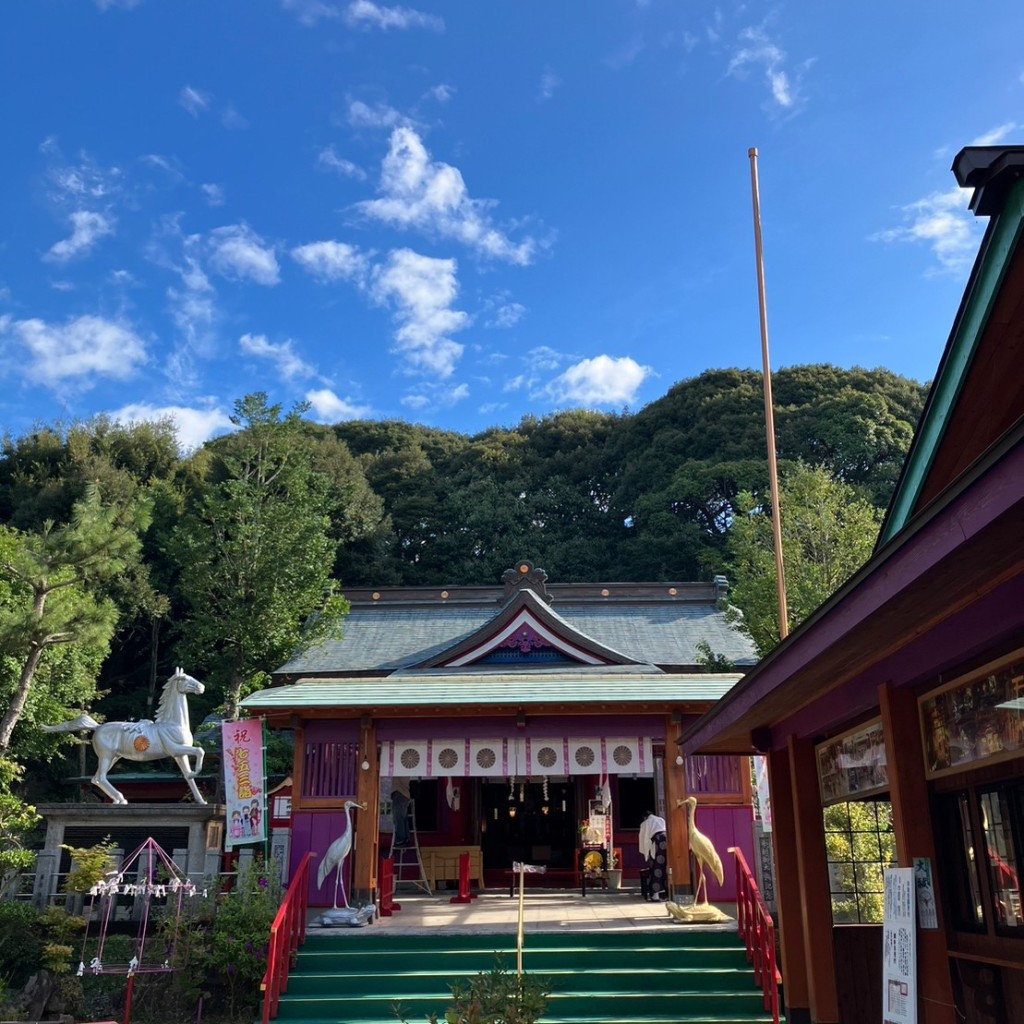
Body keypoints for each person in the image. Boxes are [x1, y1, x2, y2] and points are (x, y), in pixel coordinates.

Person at [639, 810, 668, 901]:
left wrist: (645, 852)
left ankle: (655, 895)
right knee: (666, 867)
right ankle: (666, 894)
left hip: (656, 842)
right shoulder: (661, 820)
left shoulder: (645, 823)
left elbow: (644, 838)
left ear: (645, 817)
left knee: (656, 867)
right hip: (667, 840)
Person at [391, 777, 412, 847]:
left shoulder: (398, 769)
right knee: (403, 818)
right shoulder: (406, 770)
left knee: (398, 817)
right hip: (405, 794)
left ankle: (401, 839)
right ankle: (406, 838)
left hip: (399, 793)